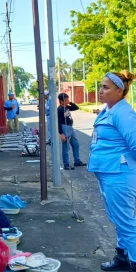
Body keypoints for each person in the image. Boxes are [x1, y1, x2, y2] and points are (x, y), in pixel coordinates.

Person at [87, 71, 136, 272]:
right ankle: (122, 257)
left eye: (106, 87)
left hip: (119, 175)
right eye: (101, 86)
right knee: (119, 219)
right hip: (110, 173)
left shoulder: (123, 113)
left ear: (119, 91)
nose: (100, 91)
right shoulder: (109, 110)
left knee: (127, 223)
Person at [57, 93, 86, 170]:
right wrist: (61, 133)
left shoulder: (67, 107)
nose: (67, 101)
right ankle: (66, 164)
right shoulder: (59, 110)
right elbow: (58, 123)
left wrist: (69, 102)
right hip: (64, 128)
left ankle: (77, 161)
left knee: (75, 144)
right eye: (66, 100)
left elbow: (76, 107)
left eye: (68, 99)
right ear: (61, 101)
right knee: (65, 147)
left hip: (70, 128)